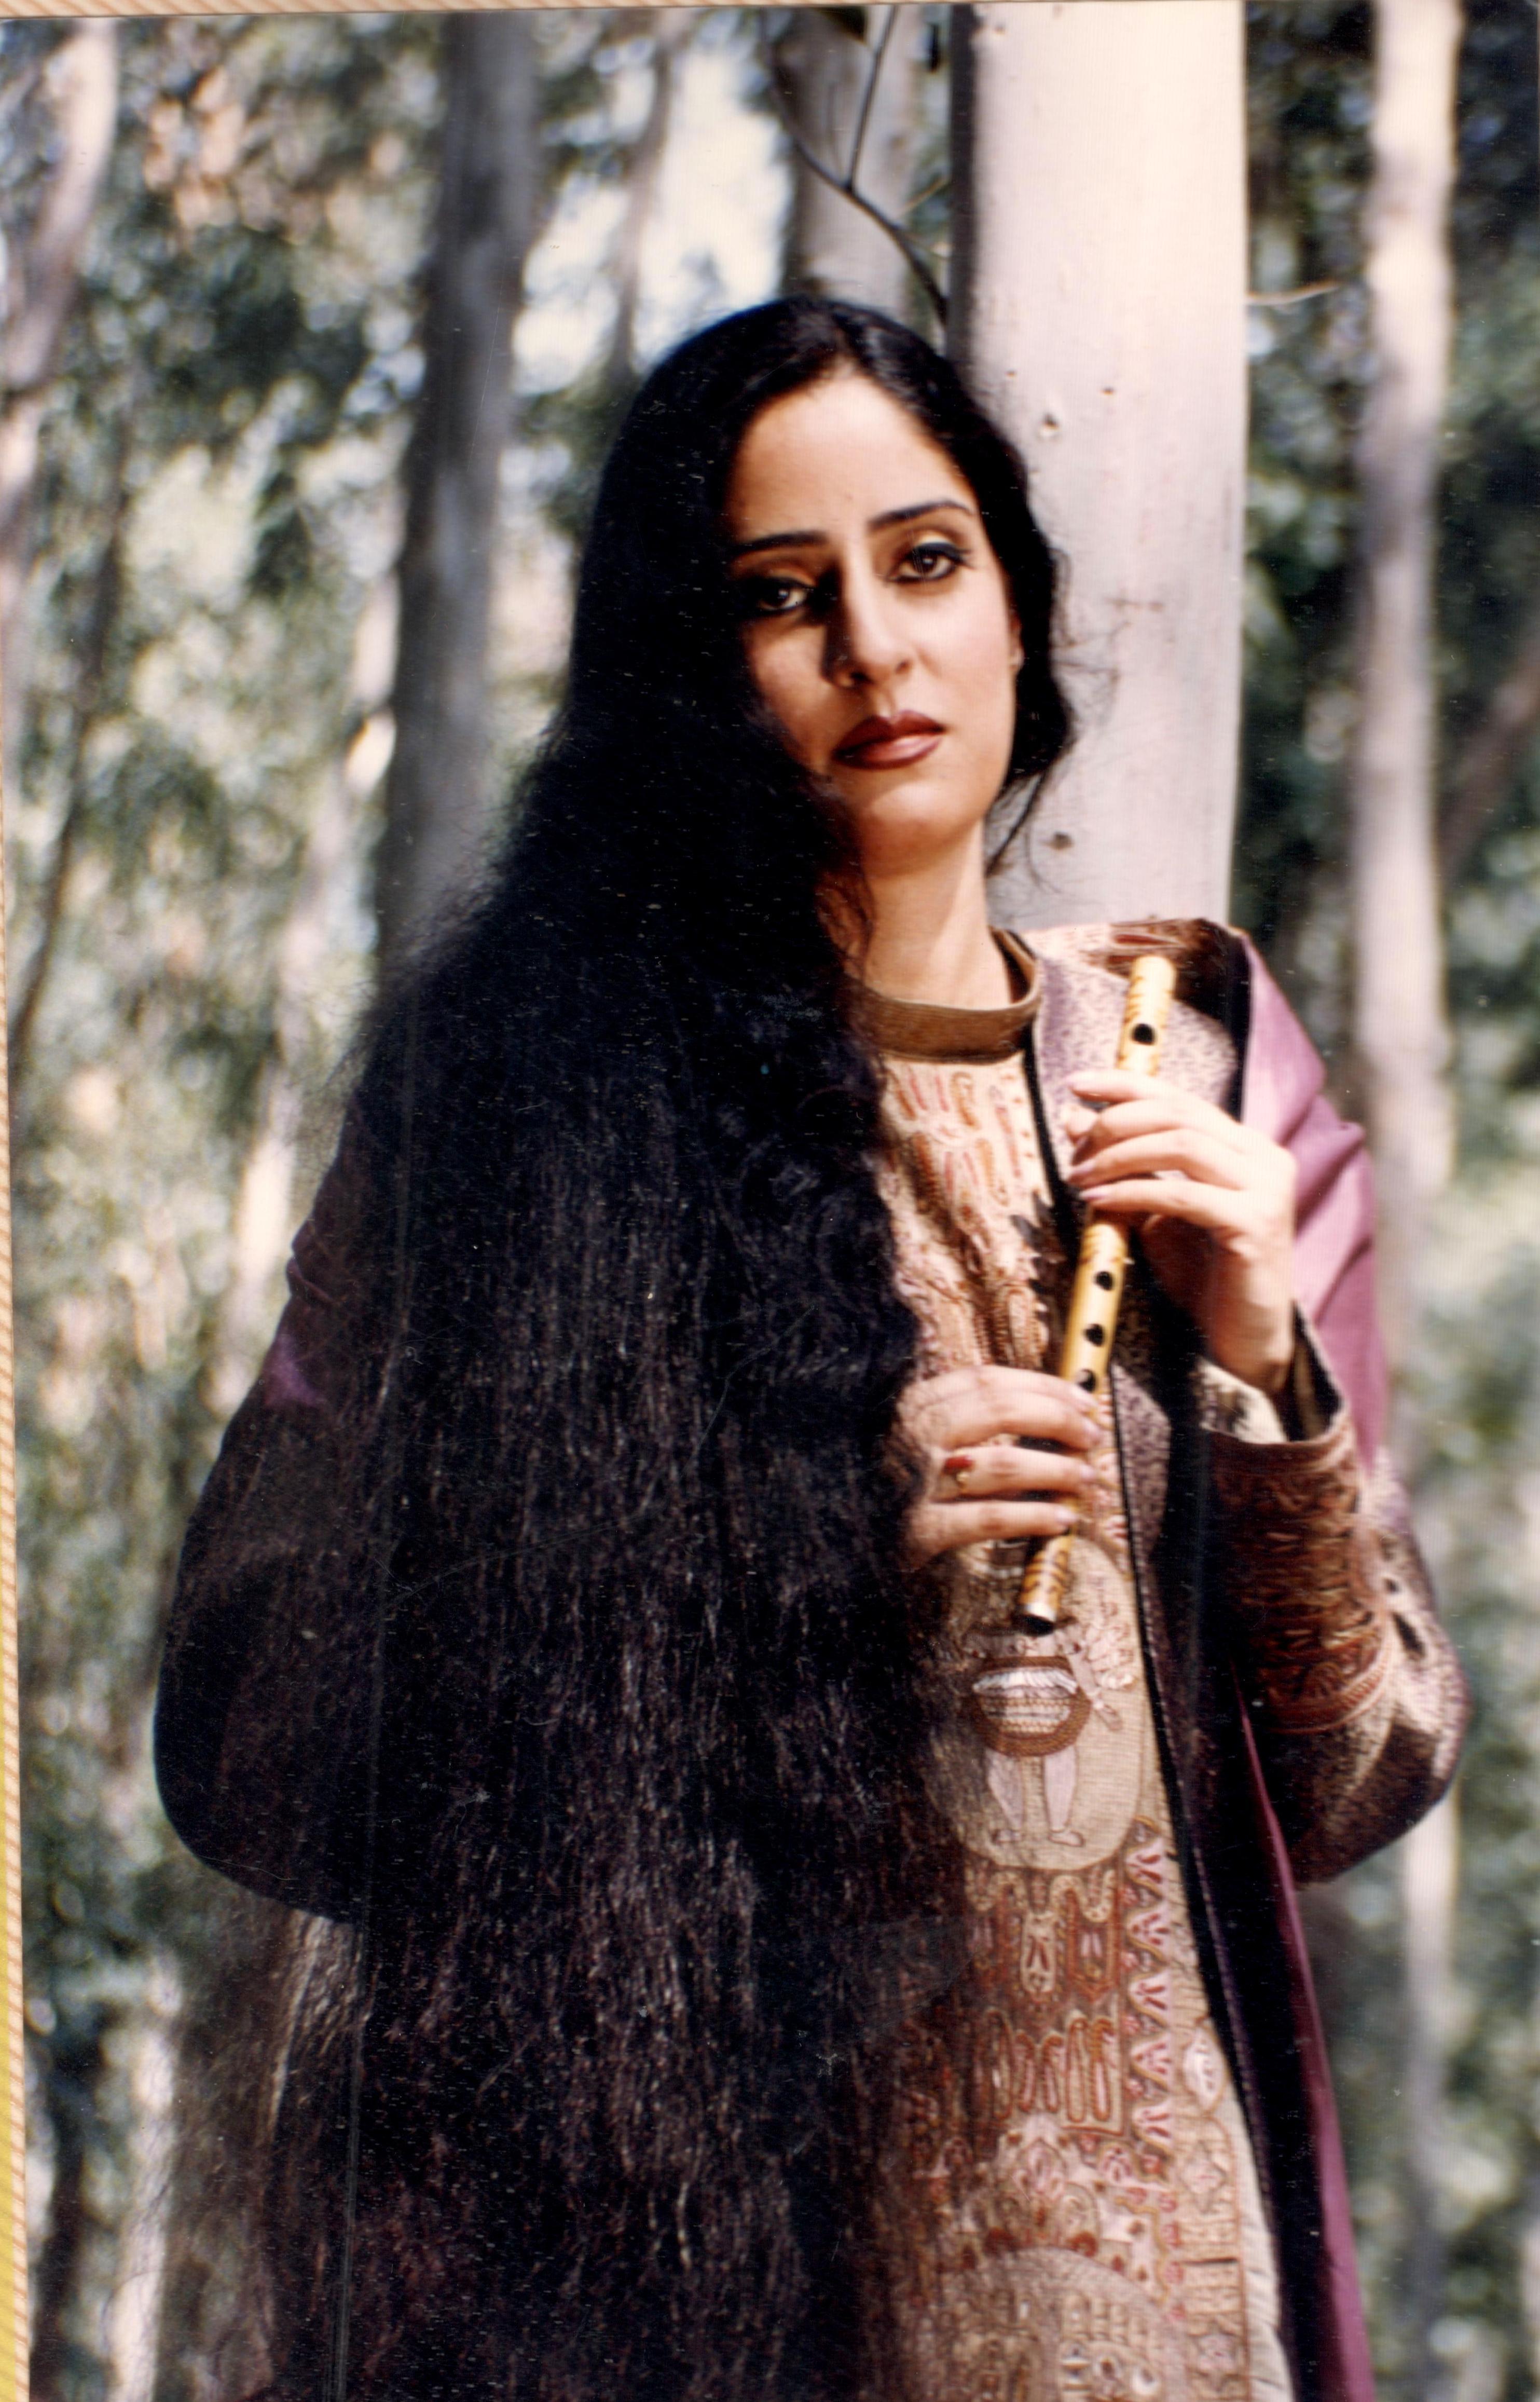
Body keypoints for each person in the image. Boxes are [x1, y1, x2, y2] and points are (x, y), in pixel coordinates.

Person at [155, 298, 1467, 2402]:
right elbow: (245, 1735)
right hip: (673, 2288)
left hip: (1155, 2313)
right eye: (783, 595)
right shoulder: (526, 1105)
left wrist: (1262, 1368)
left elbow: (1356, 1774)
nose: (874, 645)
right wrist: (778, 1550)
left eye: (926, 560)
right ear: (693, 677)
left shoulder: (1205, 1072)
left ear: (1021, 609)